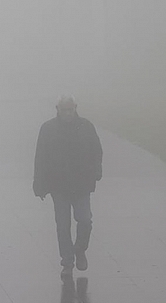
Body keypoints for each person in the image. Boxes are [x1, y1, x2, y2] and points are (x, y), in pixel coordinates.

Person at [33, 95, 103, 279]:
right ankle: (67, 262)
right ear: (57, 109)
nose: (67, 113)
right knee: (63, 226)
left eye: (70, 109)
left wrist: (96, 170)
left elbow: (97, 150)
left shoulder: (86, 127)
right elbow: (40, 157)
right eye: (64, 110)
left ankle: (80, 250)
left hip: (82, 185)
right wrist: (39, 184)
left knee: (85, 220)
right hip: (59, 186)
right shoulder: (48, 129)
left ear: (75, 108)